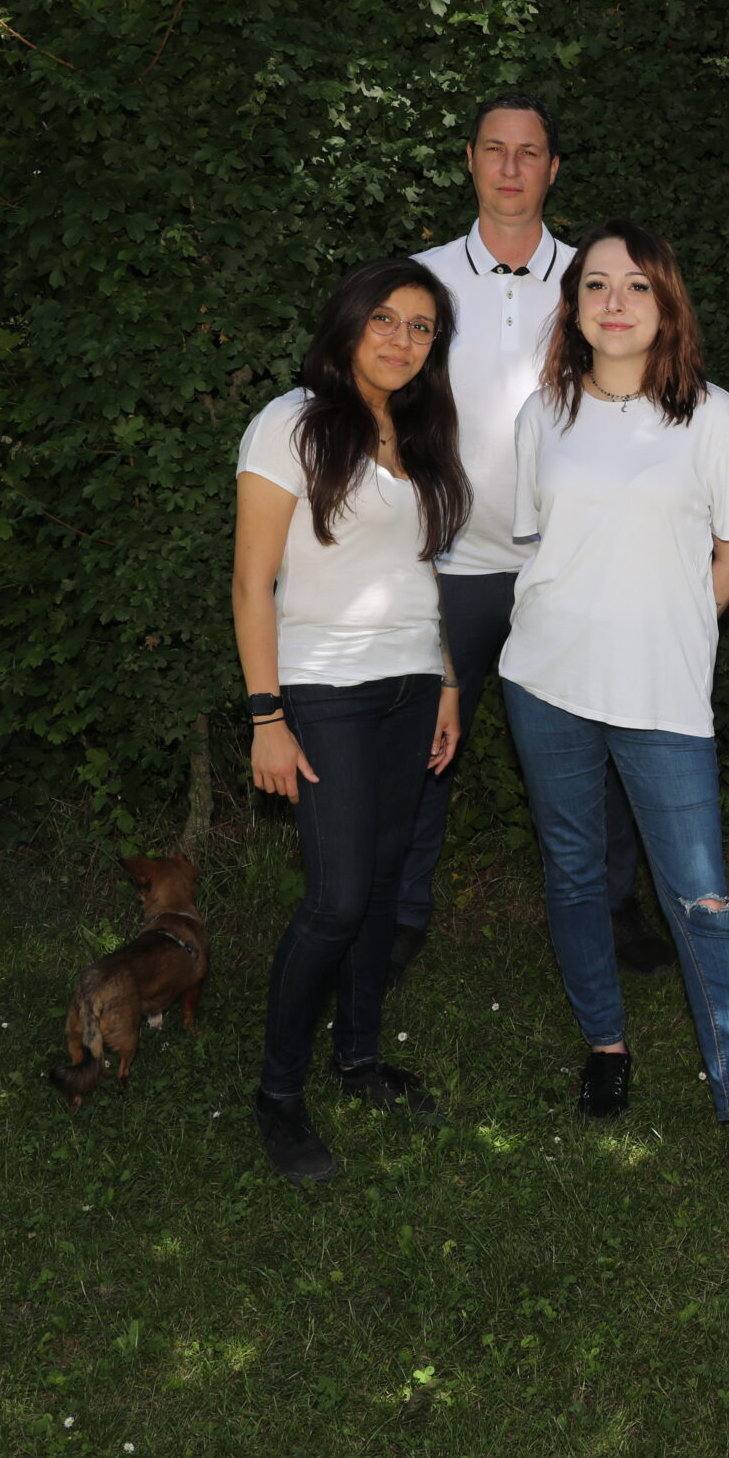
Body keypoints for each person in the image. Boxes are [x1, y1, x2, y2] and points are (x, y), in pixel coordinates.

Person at [501, 221, 729, 1218]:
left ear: (665, 303)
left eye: (636, 286)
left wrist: (671, 622)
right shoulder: (541, 414)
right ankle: (606, 1044)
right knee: (575, 872)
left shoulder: (711, 418)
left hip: (664, 695)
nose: (615, 302)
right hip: (544, 679)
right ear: (574, 307)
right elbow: (536, 548)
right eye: (595, 285)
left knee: (702, 902)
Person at [400, 93, 672, 993]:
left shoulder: (597, 279)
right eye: (495, 150)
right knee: (424, 747)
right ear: (470, 161)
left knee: (606, 734)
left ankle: (615, 902)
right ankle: (399, 913)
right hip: (450, 563)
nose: (512, 168)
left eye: (531, 153)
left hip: (571, 565)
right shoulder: (421, 280)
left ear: (555, 169)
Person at [234, 257, 470, 1185]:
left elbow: (424, 575)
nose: (402, 340)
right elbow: (254, 582)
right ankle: (278, 1094)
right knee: (335, 898)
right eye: (385, 318)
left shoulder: (419, 430)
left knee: (377, 883)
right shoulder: (290, 423)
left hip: (413, 684)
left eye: (421, 327)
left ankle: (360, 1059)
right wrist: (267, 715)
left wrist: (447, 681)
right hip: (323, 689)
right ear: (346, 323)